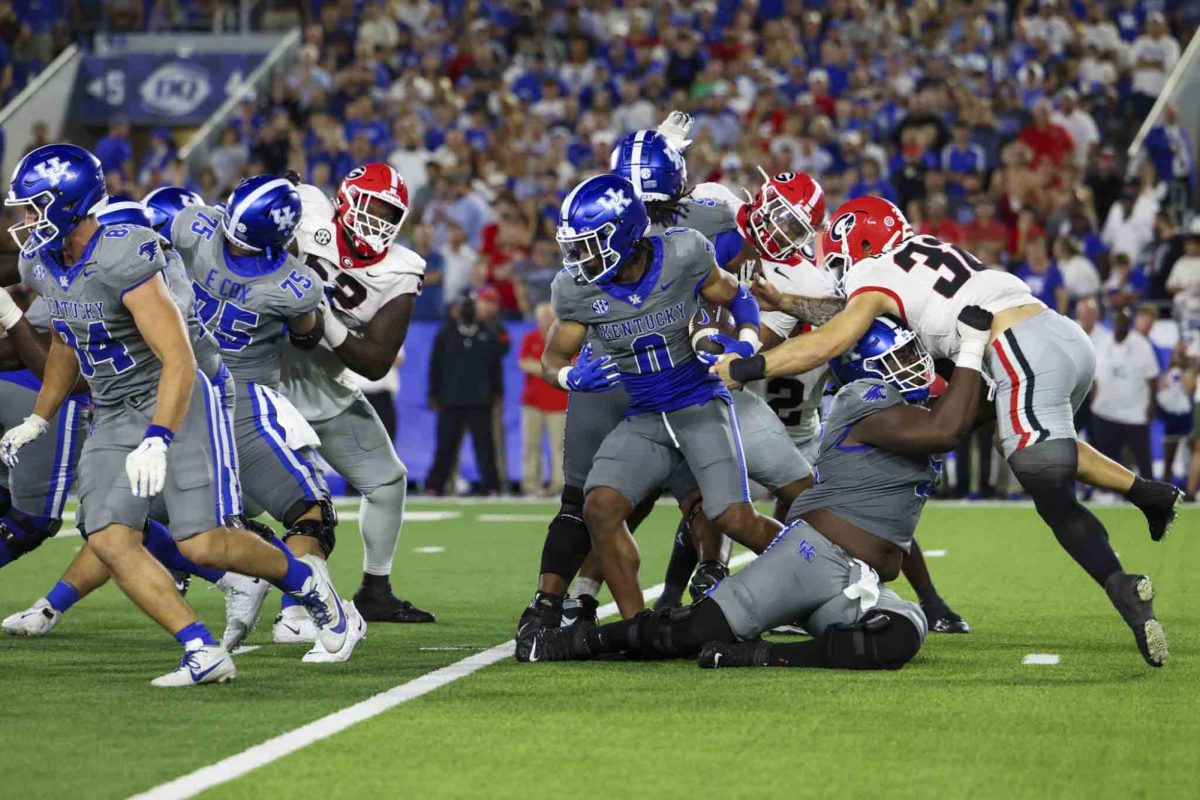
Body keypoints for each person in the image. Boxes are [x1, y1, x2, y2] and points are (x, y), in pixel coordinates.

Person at [714, 195, 1180, 667]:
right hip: (1063, 340)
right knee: (1029, 453)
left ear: (859, 243)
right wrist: (787, 301)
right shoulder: (920, 255)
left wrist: (750, 367)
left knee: (1041, 468)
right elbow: (848, 312)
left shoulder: (871, 272)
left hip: (1016, 348)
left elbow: (833, 338)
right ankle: (1144, 504)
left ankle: (1126, 566)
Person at [1, 144, 348, 685]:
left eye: (33, 207)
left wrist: (160, 435)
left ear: (69, 203)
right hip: (114, 407)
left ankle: (306, 582)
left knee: (201, 542)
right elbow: (70, 338)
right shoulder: (41, 261)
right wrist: (40, 418)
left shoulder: (125, 254)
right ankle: (201, 651)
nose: (24, 221)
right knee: (109, 537)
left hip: (180, 393)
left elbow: (179, 357)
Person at [528, 312, 988, 668]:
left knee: (902, 634)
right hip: (812, 558)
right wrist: (973, 345)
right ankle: (583, 639)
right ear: (865, 371)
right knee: (690, 631)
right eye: (898, 360)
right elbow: (948, 429)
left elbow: (970, 411)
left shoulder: (903, 404)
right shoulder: (865, 402)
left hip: (855, 578)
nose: (912, 367)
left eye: (911, 356)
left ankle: (761, 655)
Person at [541, 172, 783, 620]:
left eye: (590, 244)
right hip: (645, 415)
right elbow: (552, 358)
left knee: (735, 518)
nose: (579, 258)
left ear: (626, 233)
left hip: (698, 403)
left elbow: (739, 297)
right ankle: (637, 626)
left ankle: (826, 569)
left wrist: (747, 343)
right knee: (600, 506)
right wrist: (571, 378)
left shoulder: (683, 252)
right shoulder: (577, 290)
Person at [285, 163, 436, 625]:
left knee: (387, 482)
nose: (379, 221)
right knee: (257, 494)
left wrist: (324, 321)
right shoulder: (307, 210)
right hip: (264, 373)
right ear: (345, 198)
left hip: (324, 383)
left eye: (391, 213)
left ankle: (375, 589)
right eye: (371, 206)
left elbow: (375, 361)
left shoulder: (400, 269)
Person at [425, 290, 503, 496]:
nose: (467, 310)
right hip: (450, 400)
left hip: (480, 400)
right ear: (455, 311)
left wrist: (497, 393)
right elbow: (435, 366)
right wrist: (433, 394)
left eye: (471, 306)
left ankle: (492, 486)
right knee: (445, 446)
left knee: (485, 446)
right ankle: (435, 485)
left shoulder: (488, 333)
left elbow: (495, 367)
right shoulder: (444, 335)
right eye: (463, 306)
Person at [1090, 308, 1161, 481]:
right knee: (1105, 455)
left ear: (1129, 324)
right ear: (1113, 323)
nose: (1120, 325)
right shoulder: (1104, 343)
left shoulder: (1141, 344)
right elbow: (1096, 377)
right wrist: (1094, 399)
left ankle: (1150, 489)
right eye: (1118, 321)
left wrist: (1152, 403)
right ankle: (1104, 490)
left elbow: (1152, 377)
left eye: (1124, 322)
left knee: (1142, 455)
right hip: (1106, 409)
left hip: (1135, 412)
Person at [518, 303, 567, 497]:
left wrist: (539, 367)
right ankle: (531, 484)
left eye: (549, 316)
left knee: (558, 447)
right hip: (532, 402)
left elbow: (570, 366)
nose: (546, 320)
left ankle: (559, 484)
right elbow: (523, 363)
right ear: (537, 319)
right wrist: (549, 368)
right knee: (531, 445)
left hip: (559, 402)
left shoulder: (564, 339)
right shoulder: (529, 338)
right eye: (543, 317)